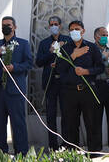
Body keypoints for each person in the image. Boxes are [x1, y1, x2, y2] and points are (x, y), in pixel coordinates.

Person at [0, 16, 33, 155]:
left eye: (8, 25)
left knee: (18, 123)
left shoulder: (23, 44)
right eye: (3, 25)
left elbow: (29, 63)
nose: (5, 27)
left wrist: (14, 67)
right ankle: (1, 154)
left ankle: (22, 153)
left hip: (15, 90)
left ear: (14, 27)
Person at [55, 20, 104, 152]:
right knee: (70, 125)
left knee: (92, 123)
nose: (74, 32)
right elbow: (59, 69)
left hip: (88, 90)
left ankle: (94, 153)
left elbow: (100, 67)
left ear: (83, 31)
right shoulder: (65, 49)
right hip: (69, 92)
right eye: (71, 30)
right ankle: (73, 153)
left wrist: (86, 71)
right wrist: (73, 55)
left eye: (77, 29)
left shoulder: (91, 47)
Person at [34, 15, 70, 149]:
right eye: (51, 24)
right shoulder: (44, 43)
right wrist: (51, 52)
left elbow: (71, 59)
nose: (54, 26)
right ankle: (53, 146)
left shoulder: (67, 40)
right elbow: (38, 62)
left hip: (65, 82)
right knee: (51, 115)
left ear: (60, 26)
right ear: (49, 27)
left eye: (56, 24)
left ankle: (66, 144)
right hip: (50, 83)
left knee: (66, 114)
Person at [94, 26, 109, 151]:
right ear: (96, 36)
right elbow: (91, 67)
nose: (105, 37)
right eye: (103, 35)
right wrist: (104, 69)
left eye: (106, 35)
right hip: (97, 87)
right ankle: (96, 150)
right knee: (96, 119)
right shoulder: (91, 50)